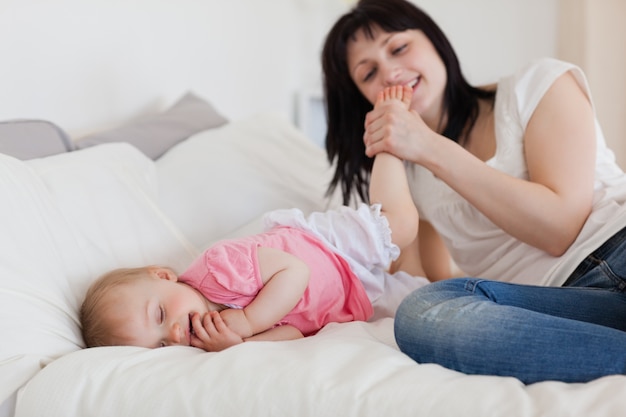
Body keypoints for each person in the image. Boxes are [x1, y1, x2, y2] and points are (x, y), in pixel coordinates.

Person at [321, 0, 626, 383]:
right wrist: (391, 156)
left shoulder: (537, 85)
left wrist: (427, 145)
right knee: (422, 312)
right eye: (369, 74)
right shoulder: (414, 177)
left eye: (399, 48)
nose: (390, 73)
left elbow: (561, 227)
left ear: (435, 42)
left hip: (617, 245)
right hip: (562, 306)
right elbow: (420, 279)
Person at [80, 86, 429, 353]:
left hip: (326, 249)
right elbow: (294, 332)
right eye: (161, 346)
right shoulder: (215, 337)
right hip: (345, 297)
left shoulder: (217, 269)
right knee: (419, 305)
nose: (172, 333)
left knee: (399, 226)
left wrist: (247, 322)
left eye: (158, 315)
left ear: (164, 275)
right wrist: (240, 345)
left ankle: (387, 138)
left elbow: (296, 272)